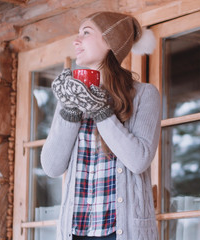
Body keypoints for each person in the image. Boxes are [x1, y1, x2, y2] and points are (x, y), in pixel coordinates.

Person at [41, 11, 160, 240]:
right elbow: (52, 167)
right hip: (75, 232)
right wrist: (71, 108)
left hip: (122, 232)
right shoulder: (70, 97)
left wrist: (100, 111)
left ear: (110, 42)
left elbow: (138, 160)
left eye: (86, 33)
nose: (76, 41)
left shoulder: (144, 95)